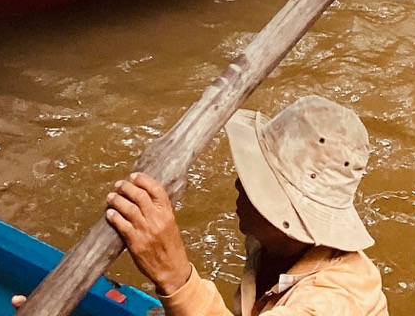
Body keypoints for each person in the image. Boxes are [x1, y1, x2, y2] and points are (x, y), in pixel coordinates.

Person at [101, 96, 385, 316]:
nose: (240, 184)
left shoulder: (334, 301)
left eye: (256, 180)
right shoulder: (273, 244)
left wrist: (175, 276)